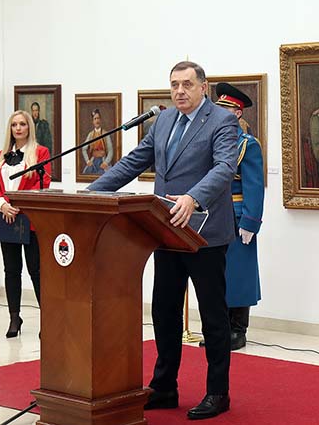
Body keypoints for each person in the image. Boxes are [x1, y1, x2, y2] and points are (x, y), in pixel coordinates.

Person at [88, 61, 238, 420]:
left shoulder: (222, 120)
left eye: (187, 84)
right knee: (164, 311)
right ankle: (165, 387)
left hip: (204, 233)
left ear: (203, 87)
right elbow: (132, 163)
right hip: (166, 230)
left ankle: (218, 392)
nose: (179, 91)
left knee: (213, 315)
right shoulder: (164, 120)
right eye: (174, 85)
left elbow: (224, 167)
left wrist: (193, 197)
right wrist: (91, 193)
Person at [211, 82, 264, 350]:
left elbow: (254, 186)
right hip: (213, 217)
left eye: (226, 110)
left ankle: (237, 330)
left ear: (238, 113)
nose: (219, 114)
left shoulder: (247, 145)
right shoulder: (212, 142)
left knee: (238, 274)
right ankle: (219, 329)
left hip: (237, 216)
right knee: (215, 274)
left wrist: (250, 222)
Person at [0, 110, 51, 338]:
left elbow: (42, 185)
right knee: (11, 271)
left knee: (36, 271)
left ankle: (49, 319)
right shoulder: (3, 155)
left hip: (30, 221)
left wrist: (17, 205)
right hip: (7, 219)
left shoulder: (41, 152)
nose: (18, 128)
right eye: (14, 124)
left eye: (22, 124)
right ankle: (14, 317)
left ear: (29, 127)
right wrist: (2, 204)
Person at [82, 108, 114, 175]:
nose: (97, 121)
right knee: (86, 173)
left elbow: (110, 151)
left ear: (100, 119)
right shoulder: (91, 135)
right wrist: (88, 161)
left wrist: (106, 162)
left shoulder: (105, 134)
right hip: (93, 161)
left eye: (98, 118)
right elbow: (84, 149)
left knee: (108, 175)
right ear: (93, 121)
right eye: (95, 119)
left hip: (103, 160)